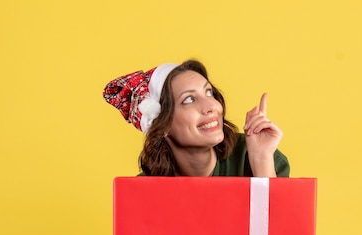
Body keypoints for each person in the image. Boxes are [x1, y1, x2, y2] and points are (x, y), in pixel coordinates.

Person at [103, 59, 289, 177]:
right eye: (189, 99)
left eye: (209, 92)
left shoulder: (253, 155)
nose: (211, 107)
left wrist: (261, 160)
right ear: (162, 125)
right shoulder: (143, 192)